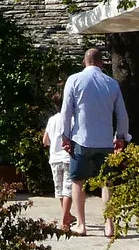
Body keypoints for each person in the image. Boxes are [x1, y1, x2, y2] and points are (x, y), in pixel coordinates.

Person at [60, 47, 129, 237]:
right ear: (102, 63)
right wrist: (121, 137)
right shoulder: (112, 83)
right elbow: (122, 115)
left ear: (84, 61)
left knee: (77, 181)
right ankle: (109, 226)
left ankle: (81, 225)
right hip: (105, 141)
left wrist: (65, 136)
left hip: (81, 140)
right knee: (107, 182)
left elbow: (66, 111)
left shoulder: (74, 80)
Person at [42, 109, 72, 231]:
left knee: (59, 189)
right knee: (68, 190)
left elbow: (45, 141)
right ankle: (65, 221)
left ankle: (68, 215)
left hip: (54, 158)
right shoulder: (71, 119)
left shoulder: (51, 119)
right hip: (67, 157)